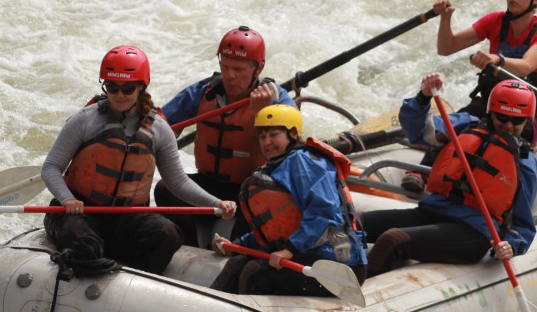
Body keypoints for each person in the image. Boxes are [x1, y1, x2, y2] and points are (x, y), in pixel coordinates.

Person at [41, 45, 236, 274]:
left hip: (125, 220)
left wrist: (216, 203)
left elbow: (178, 182)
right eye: (112, 87)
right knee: (84, 244)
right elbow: (51, 167)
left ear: (141, 87)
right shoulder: (85, 120)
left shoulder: (159, 130)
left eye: (128, 88)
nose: (119, 95)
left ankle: (130, 283)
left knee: (167, 234)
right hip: (79, 214)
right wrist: (66, 200)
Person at [361, 74, 537, 277]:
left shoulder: (524, 162)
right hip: (433, 213)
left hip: (474, 232)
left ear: (527, 120)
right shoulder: (465, 125)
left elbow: (523, 223)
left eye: (517, 120)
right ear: (491, 113)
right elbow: (418, 131)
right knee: (354, 222)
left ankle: (351, 292)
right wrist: (423, 97)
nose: (508, 126)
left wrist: (512, 246)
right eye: (502, 118)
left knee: (392, 239)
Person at [153, 26, 296, 246]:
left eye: (238, 69)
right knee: (164, 189)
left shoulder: (277, 99)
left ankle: (237, 248)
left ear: (258, 69)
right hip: (208, 185)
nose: (230, 75)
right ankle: (191, 247)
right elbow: (160, 125)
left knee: (264, 203)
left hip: (250, 189)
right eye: (225, 66)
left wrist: (261, 112)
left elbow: (291, 154)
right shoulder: (204, 92)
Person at [209, 105, 368, 297]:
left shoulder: (305, 163)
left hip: (338, 267)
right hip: (307, 254)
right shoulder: (279, 166)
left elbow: (325, 214)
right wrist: (236, 245)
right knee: (237, 263)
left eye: (274, 135)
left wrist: (290, 250)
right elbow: (278, 226)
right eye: (262, 136)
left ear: (293, 133)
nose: (267, 142)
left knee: (255, 272)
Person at [434, 0, 537, 144]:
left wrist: (497, 58)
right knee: (444, 134)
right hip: (489, 108)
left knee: (489, 140)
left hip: (524, 117)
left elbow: (525, 67)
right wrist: (445, 18)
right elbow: (446, 48)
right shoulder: (494, 21)